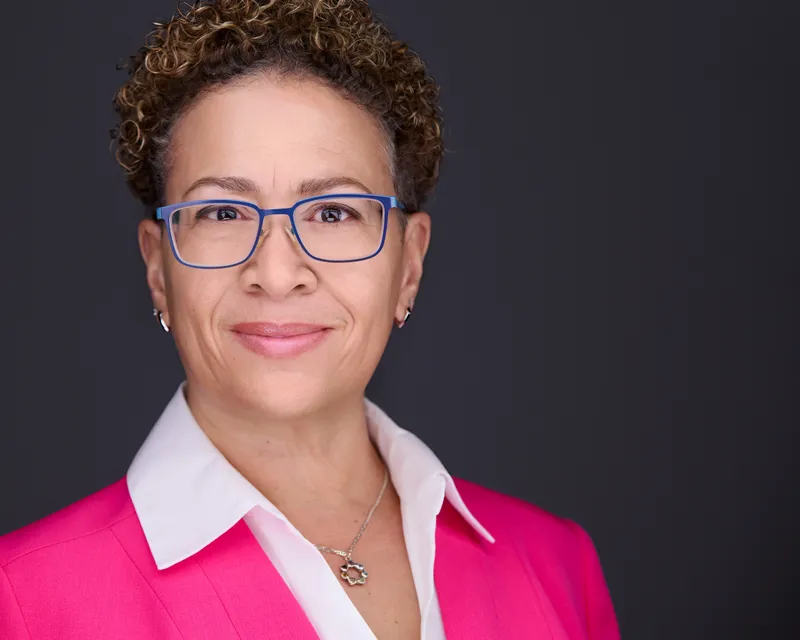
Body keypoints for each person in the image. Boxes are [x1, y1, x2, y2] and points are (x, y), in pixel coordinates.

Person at [0, 0, 620, 637]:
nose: (275, 273)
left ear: (409, 264)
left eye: (332, 213)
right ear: (159, 268)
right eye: (221, 213)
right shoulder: (21, 597)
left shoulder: (555, 564)